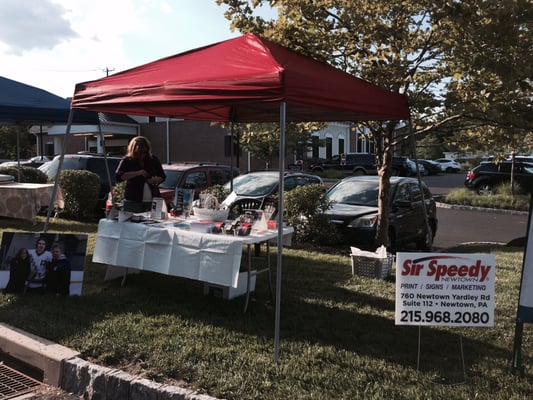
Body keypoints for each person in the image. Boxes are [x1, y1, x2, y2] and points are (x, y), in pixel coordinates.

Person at [115, 136, 166, 212]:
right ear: (134, 150)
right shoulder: (127, 160)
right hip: (133, 200)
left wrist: (155, 180)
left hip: (153, 199)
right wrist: (137, 173)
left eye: (145, 152)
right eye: (140, 152)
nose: (143, 155)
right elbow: (119, 176)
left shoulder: (153, 159)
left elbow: (162, 176)